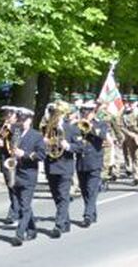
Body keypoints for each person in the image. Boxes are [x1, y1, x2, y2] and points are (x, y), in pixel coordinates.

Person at [42, 104, 81, 238]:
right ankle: (66, 222)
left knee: (63, 196)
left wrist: (68, 146)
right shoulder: (47, 129)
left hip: (65, 166)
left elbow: (80, 147)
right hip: (51, 166)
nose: (54, 115)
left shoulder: (71, 128)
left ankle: (58, 225)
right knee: (56, 196)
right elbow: (42, 147)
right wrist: (44, 143)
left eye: (57, 113)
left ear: (63, 114)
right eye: (53, 113)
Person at [10, 109, 46, 246]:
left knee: (24, 206)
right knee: (22, 204)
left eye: (23, 120)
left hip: (29, 174)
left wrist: (24, 154)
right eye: (19, 120)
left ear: (30, 120)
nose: (21, 123)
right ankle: (32, 229)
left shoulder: (36, 135)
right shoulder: (16, 133)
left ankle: (19, 234)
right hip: (16, 173)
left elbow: (41, 155)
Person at [75, 102, 107, 227]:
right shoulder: (77, 124)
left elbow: (102, 136)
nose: (85, 114)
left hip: (94, 160)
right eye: (83, 112)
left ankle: (87, 215)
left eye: (87, 112)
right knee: (84, 190)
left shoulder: (100, 123)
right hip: (81, 161)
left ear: (93, 112)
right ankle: (93, 213)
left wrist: (89, 126)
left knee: (92, 189)